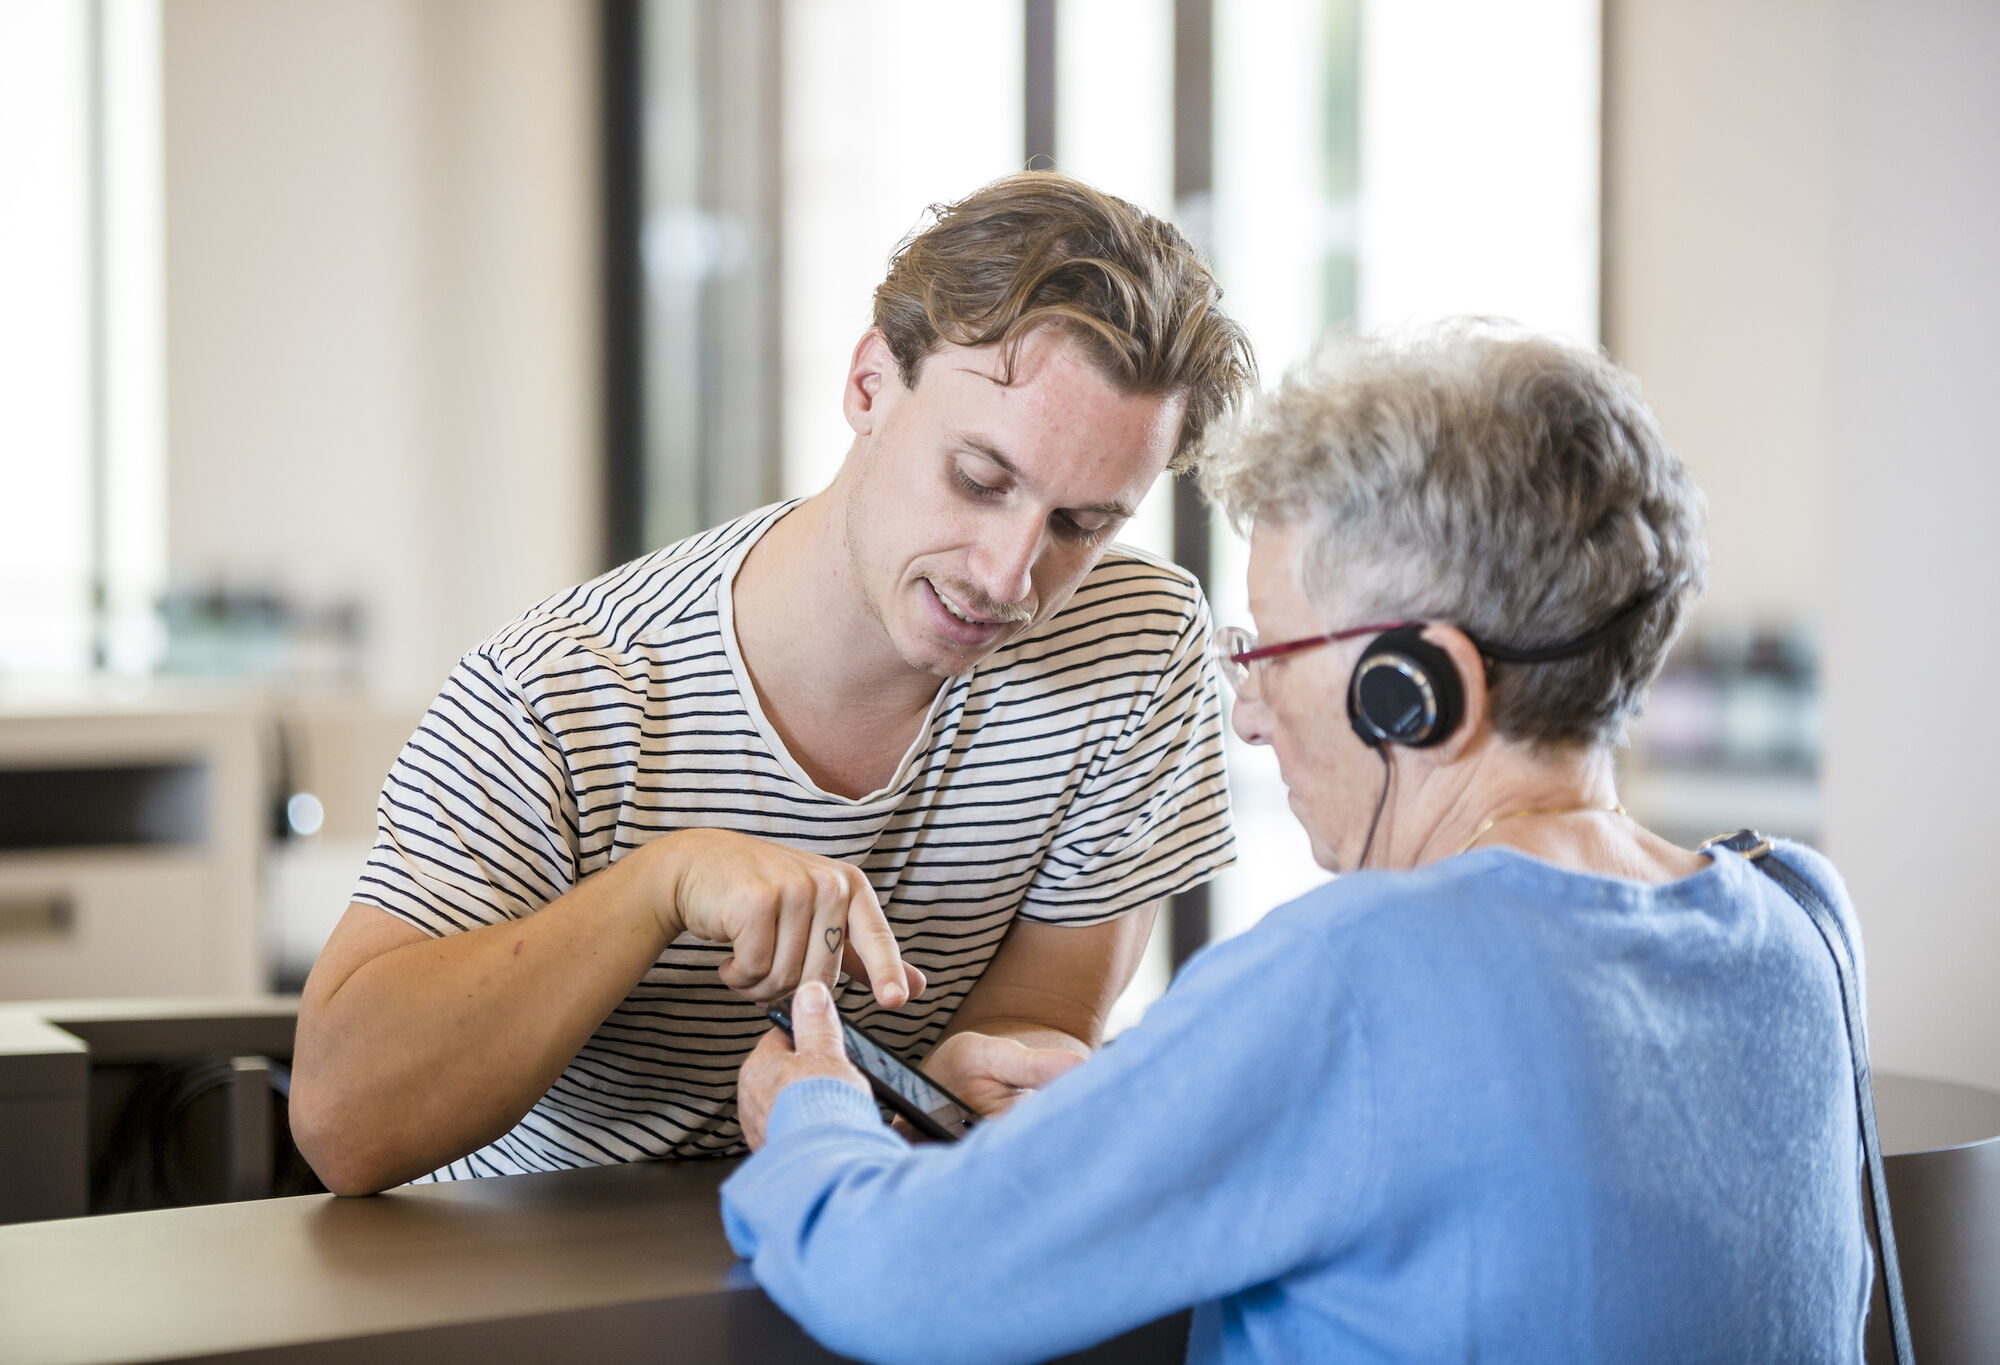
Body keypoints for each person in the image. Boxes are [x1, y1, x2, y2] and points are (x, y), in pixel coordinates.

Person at [723, 324, 1872, 1364]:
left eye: (1269, 655)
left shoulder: (1360, 973)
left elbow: (901, 1284)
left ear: (1413, 686)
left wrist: (811, 1118)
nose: (1247, 713)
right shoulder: (1797, 920)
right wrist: (1166, 1093)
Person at [289, 173, 1256, 1194]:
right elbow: (345, 1125)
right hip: (535, 1281)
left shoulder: (1134, 644)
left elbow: (1029, 1032)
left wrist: (944, 1085)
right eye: (978, 480)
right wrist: (662, 884)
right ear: (868, 385)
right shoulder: (559, 692)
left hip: (864, 1231)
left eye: (1080, 526)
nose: (1007, 576)